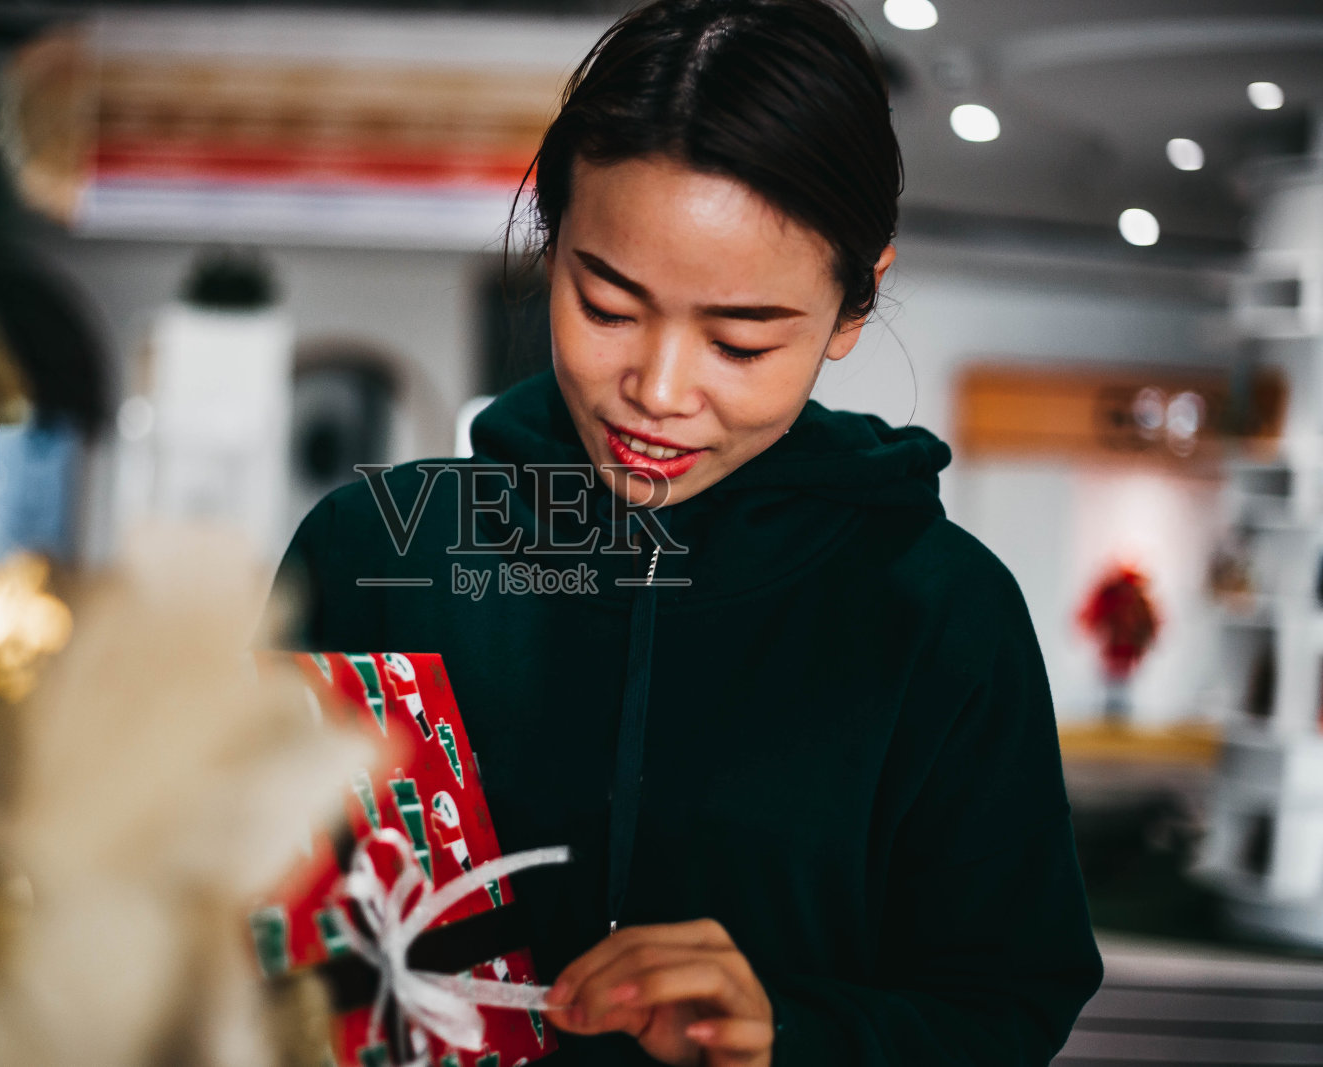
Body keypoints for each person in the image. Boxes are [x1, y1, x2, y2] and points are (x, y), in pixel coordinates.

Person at [270, 0, 1104, 1063]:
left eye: (740, 342)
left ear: (854, 306)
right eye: (608, 307)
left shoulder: (938, 613)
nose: (658, 393)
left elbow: (1009, 1002)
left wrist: (787, 1035)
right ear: (552, 243)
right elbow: (246, 929)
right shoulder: (376, 555)